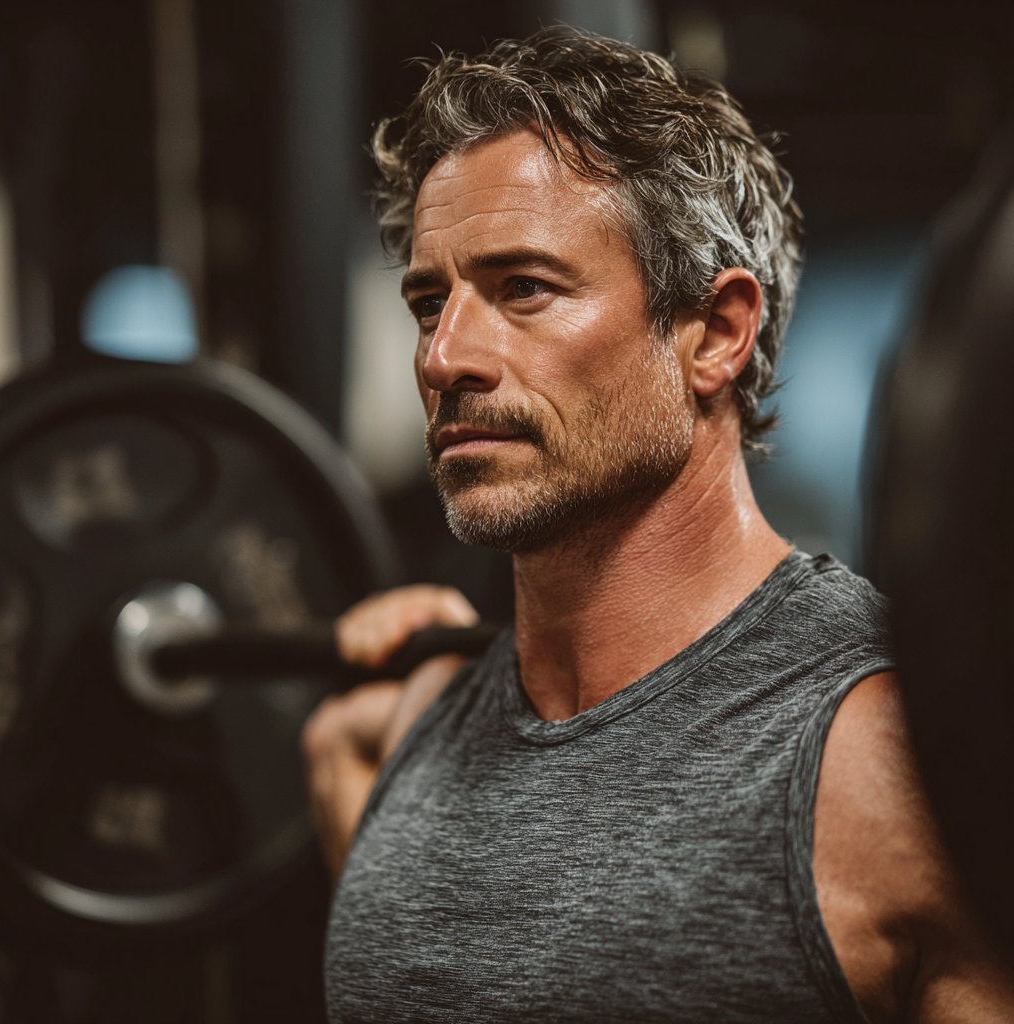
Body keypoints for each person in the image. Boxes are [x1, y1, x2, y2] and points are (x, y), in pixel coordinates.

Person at [303, 28, 1014, 1023]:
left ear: (714, 333)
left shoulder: (880, 755)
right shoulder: (400, 737)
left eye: (525, 289)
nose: (443, 355)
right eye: (431, 302)